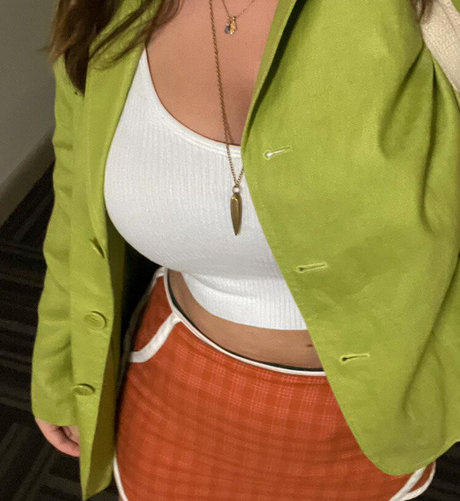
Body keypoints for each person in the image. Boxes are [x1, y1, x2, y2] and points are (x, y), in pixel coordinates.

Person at [31, 0, 460, 499]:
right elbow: (74, 205)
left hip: (387, 410)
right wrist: (60, 366)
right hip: (176, 391)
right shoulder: (102, 9)